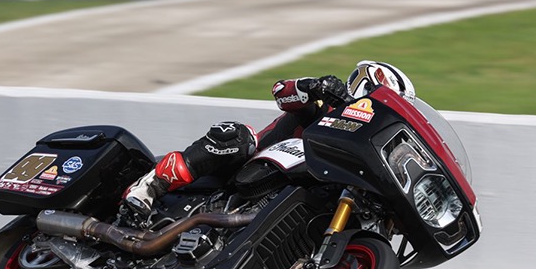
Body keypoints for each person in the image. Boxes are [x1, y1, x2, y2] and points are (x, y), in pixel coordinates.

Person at [124, 60, 415, 216]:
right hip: (251, 164)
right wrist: (312, 86)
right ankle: (150, 187)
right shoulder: (323, 103)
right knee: (238, 136)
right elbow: (280, 91)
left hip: (294, 190)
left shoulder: (361, 146)